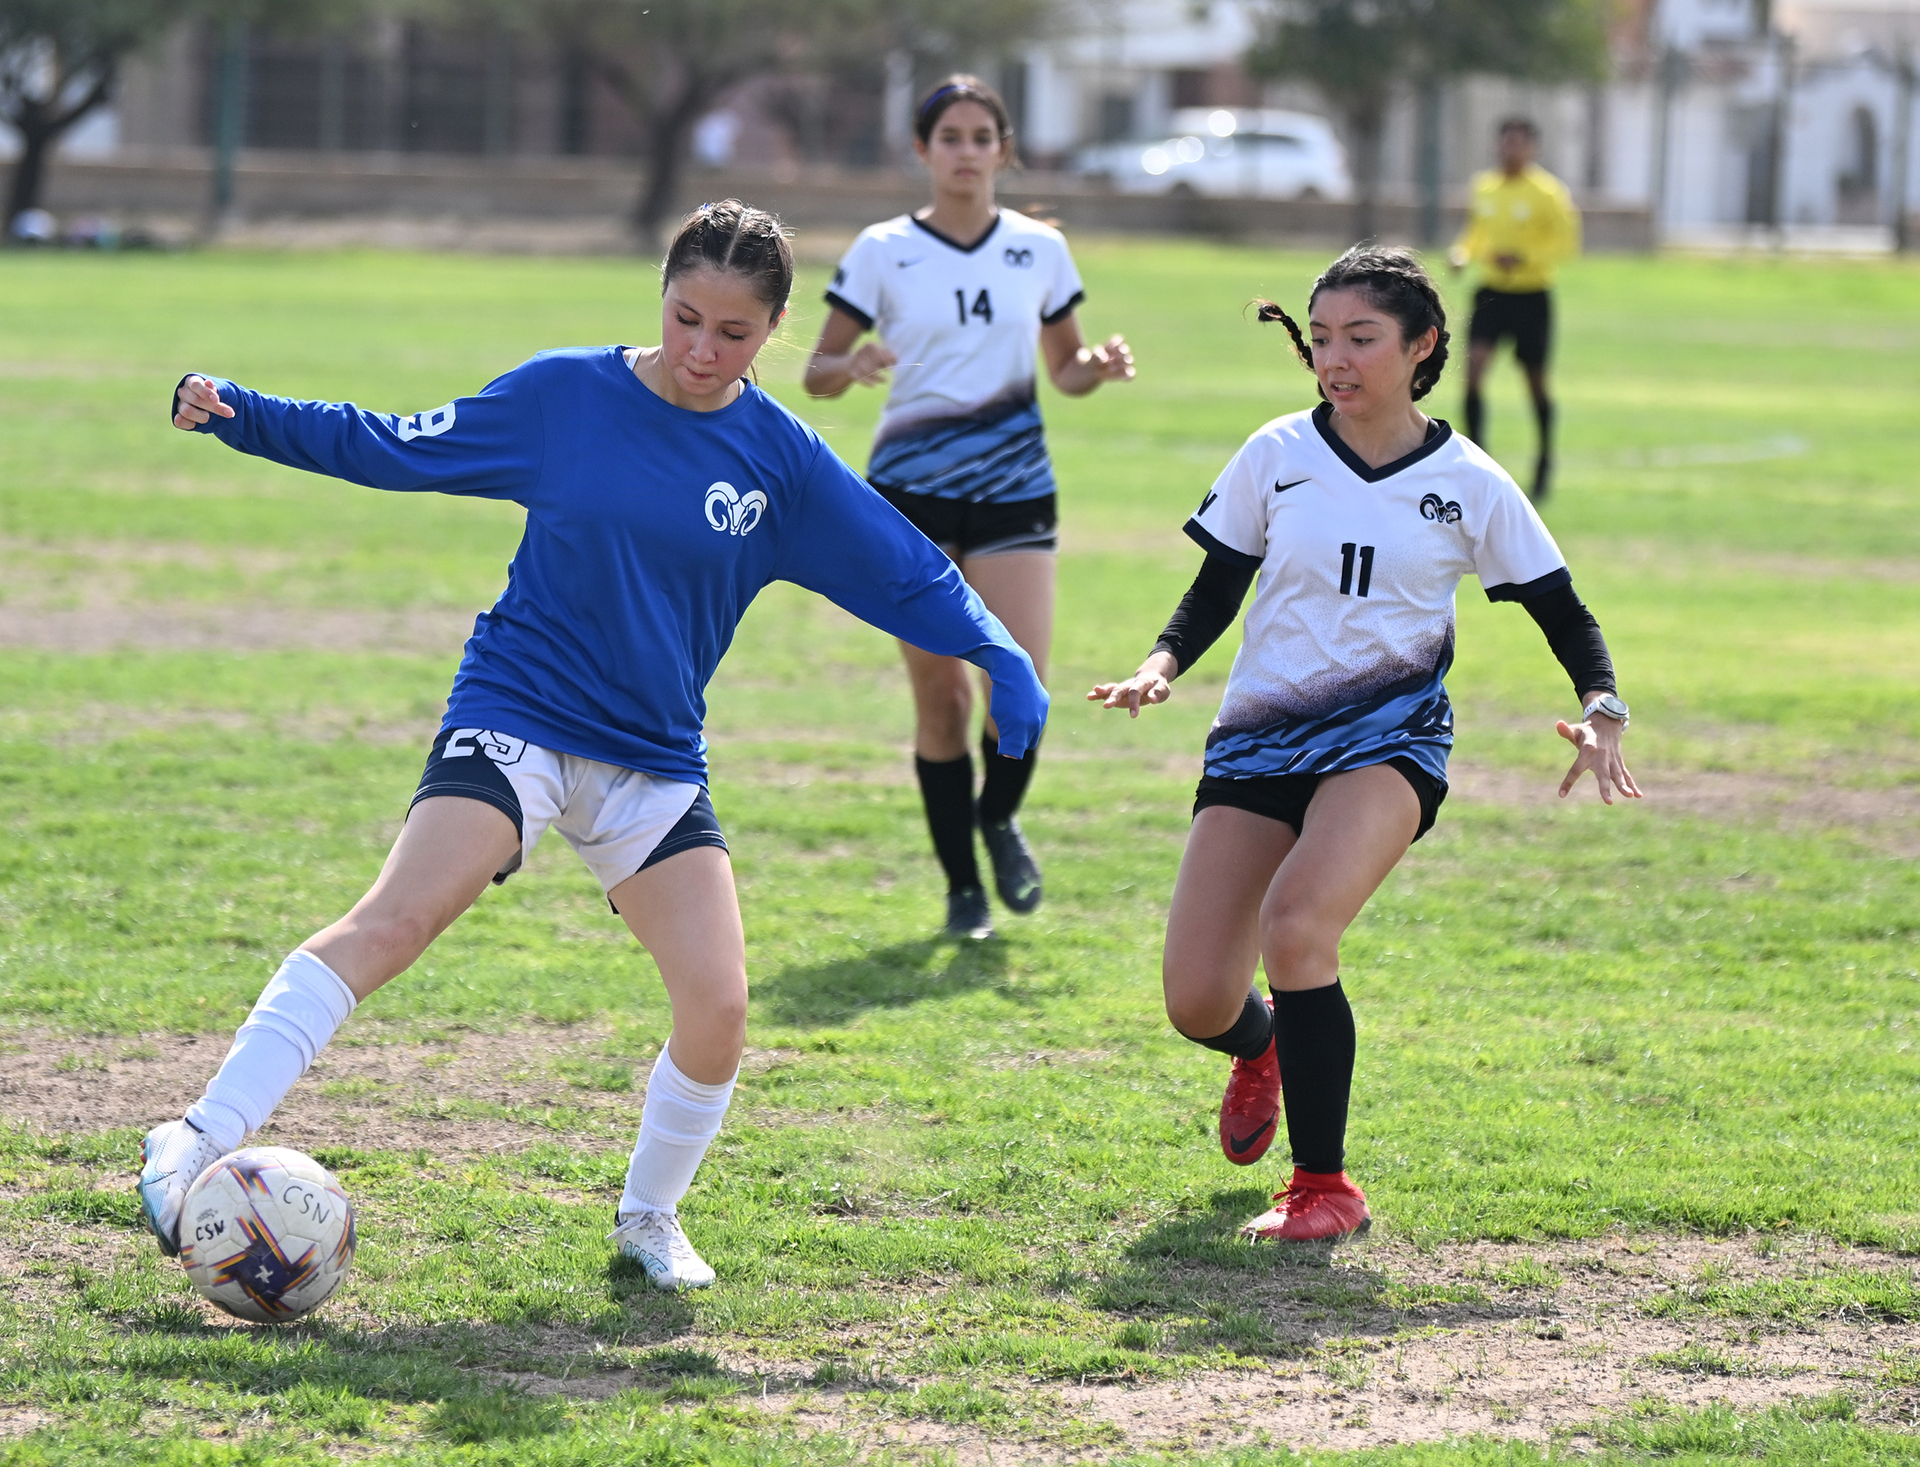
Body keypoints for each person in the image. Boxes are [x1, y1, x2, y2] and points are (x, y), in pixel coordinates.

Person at [138, 200, 1048, 1292]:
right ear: (660, 296)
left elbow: (904, 569)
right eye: (685, 318)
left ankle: (649, 1220)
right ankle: (193, 1136)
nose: (704, 351)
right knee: (399, 919)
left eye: (735, 334)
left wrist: (1000, 654)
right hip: (519, 711)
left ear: (778, 330)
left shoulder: (780, 461)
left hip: (654, 757)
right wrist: (248, 415)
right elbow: (393, 444)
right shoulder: (566, 395)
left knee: (718, 1009)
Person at [1089, 246, 1637, 1243]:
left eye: (1361, 339)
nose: (1334, 360)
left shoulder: (1466, 480)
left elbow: (1563, 609)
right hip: (1259, 740)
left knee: (1298, 927)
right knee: (1196, 998)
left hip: (1391, 743)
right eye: (1322, 339)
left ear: (1422, 345)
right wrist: (1161, 665)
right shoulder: (1276, 452)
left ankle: (1324, 1188)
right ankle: (1262, 1047)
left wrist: (1603, 705)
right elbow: (1218, 586)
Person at [804, 74, 1134, 941]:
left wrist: (1096, 366)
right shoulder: (882, 248)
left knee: (1018, 684)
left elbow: (1065, 371)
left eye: (980, 135)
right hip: (907, 498)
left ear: (1004, 149)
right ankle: (963, 890)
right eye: (947, 135)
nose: (964, 150)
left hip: (1014, 487)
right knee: (942, 701)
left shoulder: (1038, 249)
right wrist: (854, 365)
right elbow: (816, 374)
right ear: (923, 150)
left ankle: (998, 819)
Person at [1448, 117, 1580, 503]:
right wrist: (1462, 254)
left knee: (1535, 380)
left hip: (1531, 295)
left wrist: (1524, 258)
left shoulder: (1548, 193)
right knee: (1472, 370)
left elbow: (1566, 243)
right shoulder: (1484, 187)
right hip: (1491, 293)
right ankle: (1475, 463)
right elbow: (1476, 233)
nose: (1512, 151)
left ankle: (1544, 461)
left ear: (1533, 149)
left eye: (1519, 144)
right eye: (1506, 143)